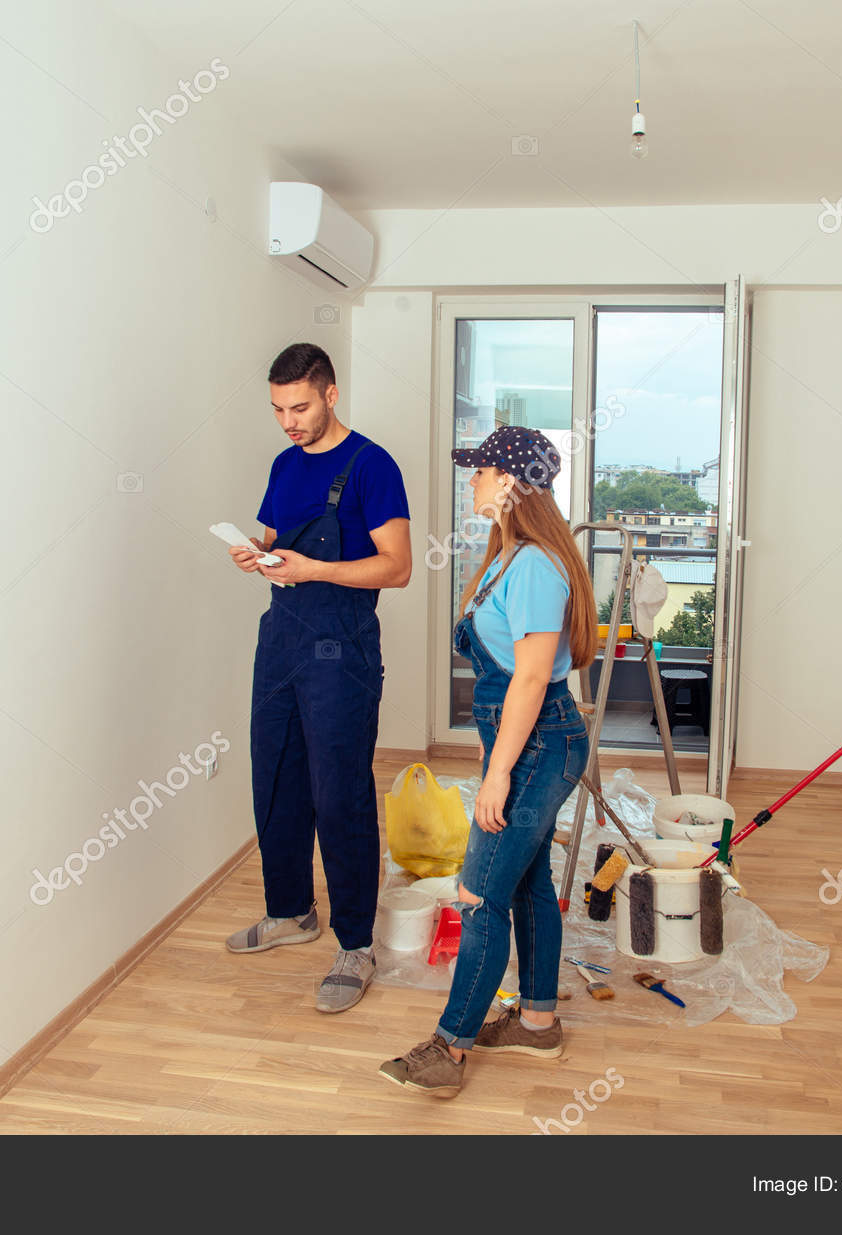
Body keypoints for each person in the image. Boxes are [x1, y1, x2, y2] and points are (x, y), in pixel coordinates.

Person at [379, 426, 596, 1097]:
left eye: (479, 472)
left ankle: (450, 1046)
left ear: (507, 482)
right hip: (519, 739)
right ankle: (536, 1021)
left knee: (479, 895)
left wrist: (500, 772)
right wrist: (488, 757)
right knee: (526, 882)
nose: (469, 481)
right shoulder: (508, 555)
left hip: (540, 742)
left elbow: (530, 681)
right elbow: (501, 684)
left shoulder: (533, 564)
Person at [224, 343, 411, 1014]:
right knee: (273, 774)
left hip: (343, 644)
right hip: (281, 636)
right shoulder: (282, 463)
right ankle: (290, 911)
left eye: (299, 407)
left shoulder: (372, 466)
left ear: (331, 395)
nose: (288, 422)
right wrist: (257, 551)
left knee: (340, 794)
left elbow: (396, 567)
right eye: (278, 409)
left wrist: (315, 569)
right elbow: (274, 533)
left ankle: (355, 941)